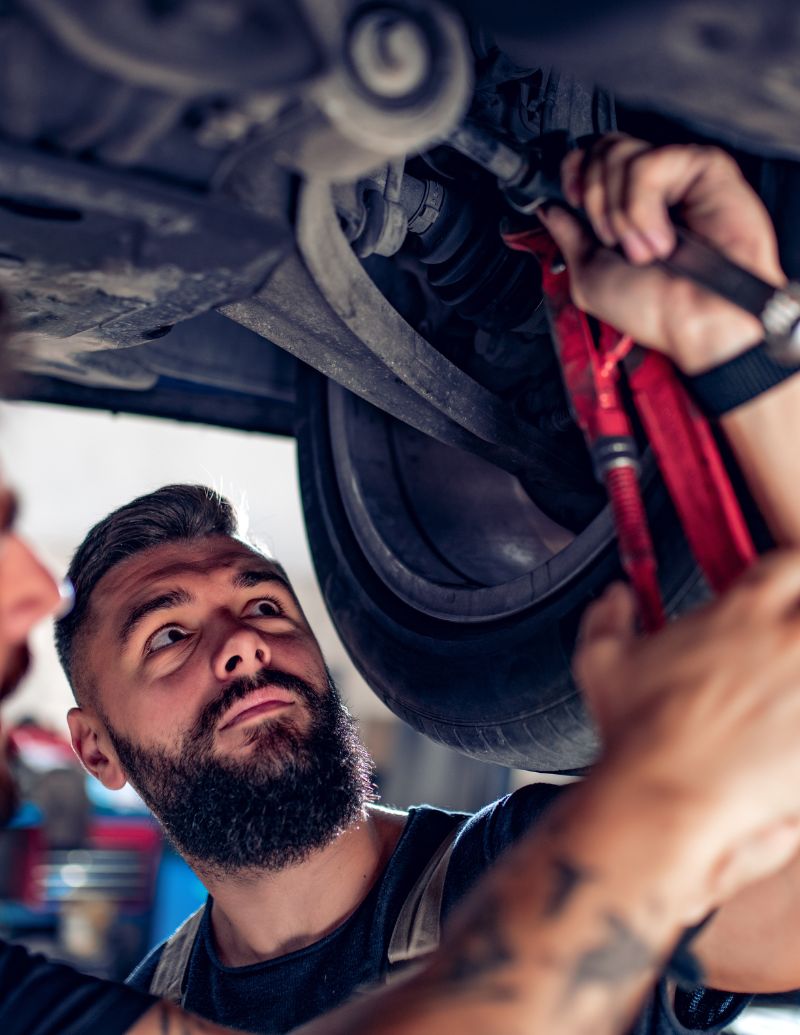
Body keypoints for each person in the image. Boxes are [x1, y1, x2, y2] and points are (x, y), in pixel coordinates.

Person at [3, 130, 800, 1035]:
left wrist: (737, 348)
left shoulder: (529, 857)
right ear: (94, 748)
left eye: (263, 601)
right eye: (169, 634)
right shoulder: (146, 1002)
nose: (246, 642)